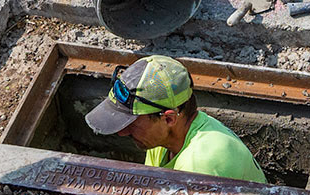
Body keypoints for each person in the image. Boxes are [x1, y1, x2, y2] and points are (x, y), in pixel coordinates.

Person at [84, 55, 267, 184]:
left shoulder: (203, 163)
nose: (122, 133)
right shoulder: (163, 140)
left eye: (131, 123)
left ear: (169, 119)